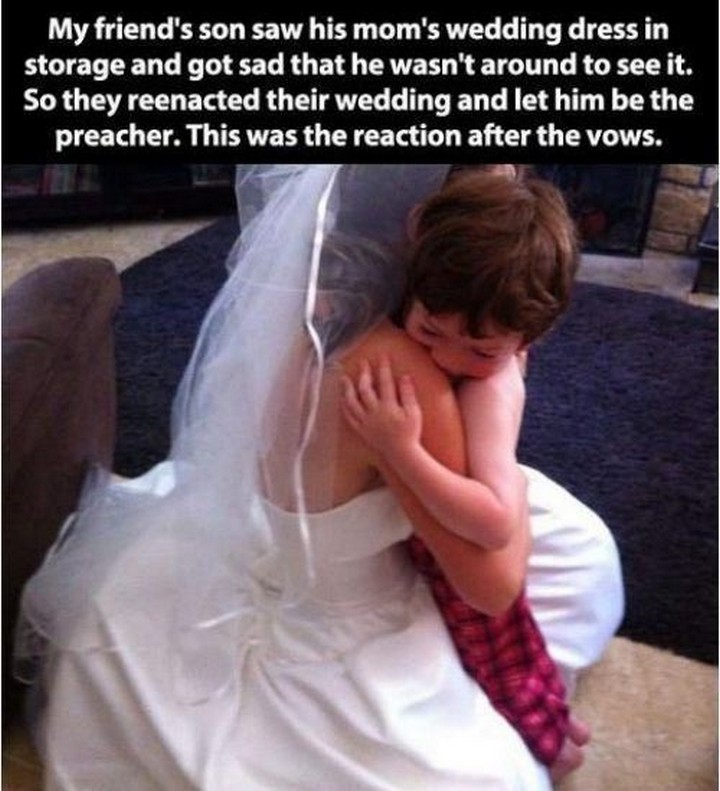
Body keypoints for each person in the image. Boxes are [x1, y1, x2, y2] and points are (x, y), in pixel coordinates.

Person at [16, 165, 623, 789]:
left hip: (290, 529)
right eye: (495, 179)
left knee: (580, 541)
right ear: (421, 221)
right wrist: (504, 406)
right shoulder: (405, 377)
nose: (451, 353)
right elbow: (492, 589)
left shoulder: (324, 304)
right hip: (345, 607)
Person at [341, 170, 592, 777]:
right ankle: (556, 714)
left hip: (466, 547)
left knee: (502, 663)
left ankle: (551, 745)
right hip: (436, 535)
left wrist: (402, 452)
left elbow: (494, 520)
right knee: (516, 655)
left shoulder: (488, 390)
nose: (445, 357)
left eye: (481, 350)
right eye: (430, 330)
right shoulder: (448, 302)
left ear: (528, 341)